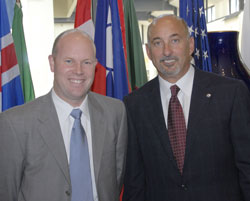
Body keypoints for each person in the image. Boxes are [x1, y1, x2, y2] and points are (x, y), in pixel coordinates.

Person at [122, 14, 250, 201]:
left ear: (190, 45)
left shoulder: (230, 94)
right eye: (157, 43)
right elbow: (135, 182)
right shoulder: (134, 105)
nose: (167, 51)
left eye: (174, 40)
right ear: (148, 52)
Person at [0, 29, 127, 201]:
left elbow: (115, 179)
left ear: (96, 65)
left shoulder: (115, 112)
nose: (78, 71)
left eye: (87, 62)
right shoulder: (15, 123)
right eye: (69, 61)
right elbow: (7, 192)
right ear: (52, 63)